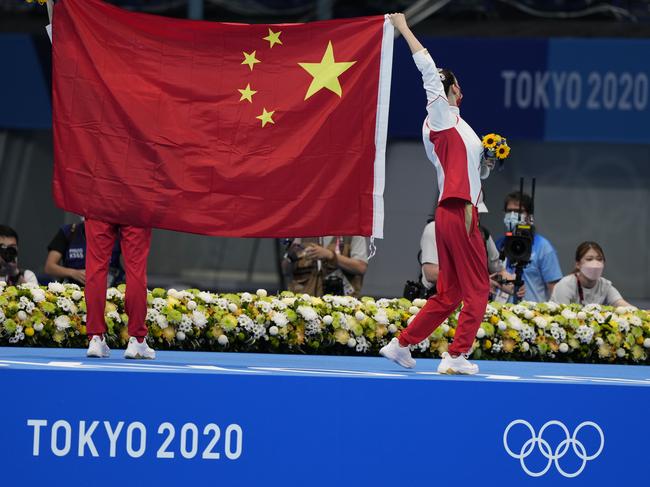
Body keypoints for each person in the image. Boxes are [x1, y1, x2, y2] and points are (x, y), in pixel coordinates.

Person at [380, 13, 493, 375]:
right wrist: (403, 28)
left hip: (451, 210)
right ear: (455, 90)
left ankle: (401, 344)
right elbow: (428, 70)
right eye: (448, 84)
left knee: (449, 294)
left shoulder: (461, 128)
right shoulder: (440, 117)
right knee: (478, 289)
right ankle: (457, 355)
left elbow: (473, 172)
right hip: (460, 210)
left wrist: (490, 159)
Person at [46, 0, 155, 360]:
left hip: (100, 193)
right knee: (136, 269)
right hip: (136, 193)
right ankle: (136, 340)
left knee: (96, 267)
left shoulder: (92, 90)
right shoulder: (148, 94)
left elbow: (66, 56)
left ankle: (96, 337)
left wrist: (55, 12)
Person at [420, 202, 503, 293]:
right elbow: (431, 274)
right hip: (438, 297)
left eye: (478, 214)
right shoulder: (435, 228)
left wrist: (516, 286)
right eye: (472, 212)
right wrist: (478, 281)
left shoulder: (482, 234)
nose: (477, 218)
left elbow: (499, 271)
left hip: (472, 300)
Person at [495, 191, 563, 302]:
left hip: (531, 314)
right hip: (500, 312)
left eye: (518, 211)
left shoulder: (543, 247)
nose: (512, 215)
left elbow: (554, 288)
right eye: (509, 211)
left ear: (529, 216)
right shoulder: (499, 244)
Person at [551, 241, 632, 307]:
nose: (595, 263)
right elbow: (563, 318)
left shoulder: (605, 285)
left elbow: (622, 305)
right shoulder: (565, 285)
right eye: (589, 259)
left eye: (599, 259)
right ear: (578, 264)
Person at [44, 220, 124, 287]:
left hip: (110, 289)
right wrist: (74, 273)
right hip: (74, 290)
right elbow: (49, 267)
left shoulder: (118, 233)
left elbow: (130, 266)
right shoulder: (69, 231)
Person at [284, 237, 368, 297]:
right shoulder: (302, 231)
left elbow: (361, 267)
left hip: (340, 305)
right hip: (304, 305)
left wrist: (330, 255)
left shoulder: (352, 232)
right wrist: (292, 255)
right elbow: (285, 269)